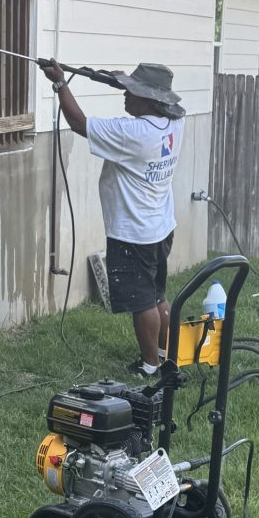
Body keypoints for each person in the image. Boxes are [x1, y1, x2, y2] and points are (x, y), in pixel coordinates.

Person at [41, 60, 185, 376]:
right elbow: (147, 101)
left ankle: (149, 366)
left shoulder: (134, 134)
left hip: (134, 233)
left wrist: (60, 84)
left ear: (149, 99)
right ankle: (165, 353)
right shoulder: (174, 123)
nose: (125, 95)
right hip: (161, 227)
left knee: (142, 302)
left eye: (131, 92)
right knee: (158, 295)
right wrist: (119, 81)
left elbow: (80, 123)